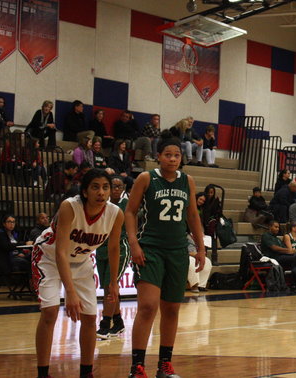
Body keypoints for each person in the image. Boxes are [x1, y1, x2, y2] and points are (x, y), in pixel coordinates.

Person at [125, 133, 205, 378]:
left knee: (171, 309)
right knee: (148, 306)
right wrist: (134, 243)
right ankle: (137, 367)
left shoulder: (187, 181)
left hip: (178, 251)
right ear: (158, 156)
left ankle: (164, 366)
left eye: (177, 155)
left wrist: (200, 247)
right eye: (168, 155)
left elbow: (192, 215)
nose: (172, 159)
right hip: (151, 248)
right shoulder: (146, 178)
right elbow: (130, 212)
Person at [32, 169, 124, 378]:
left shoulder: (115, 213)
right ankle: (43, 373)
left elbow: (113, 248)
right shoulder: (69, 207)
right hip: (49, 257)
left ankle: (86, 372)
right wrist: (70, 293)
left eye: (105, 187)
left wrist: (114, 282)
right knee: (50, 312)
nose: (101, 192)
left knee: (90, 318)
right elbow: (61, 253)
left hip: (81, 261)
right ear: (84, 191)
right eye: (95, 187)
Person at [95, 176, 130, 340]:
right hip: (101, 248)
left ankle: (104, 325)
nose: (116, 189)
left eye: (119, 186)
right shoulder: (103, 205)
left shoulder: (127, 205)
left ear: (123, 188)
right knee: (107, 289)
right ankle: (118, 323)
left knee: (110, 287)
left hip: (120, 248)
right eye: (113, 186)